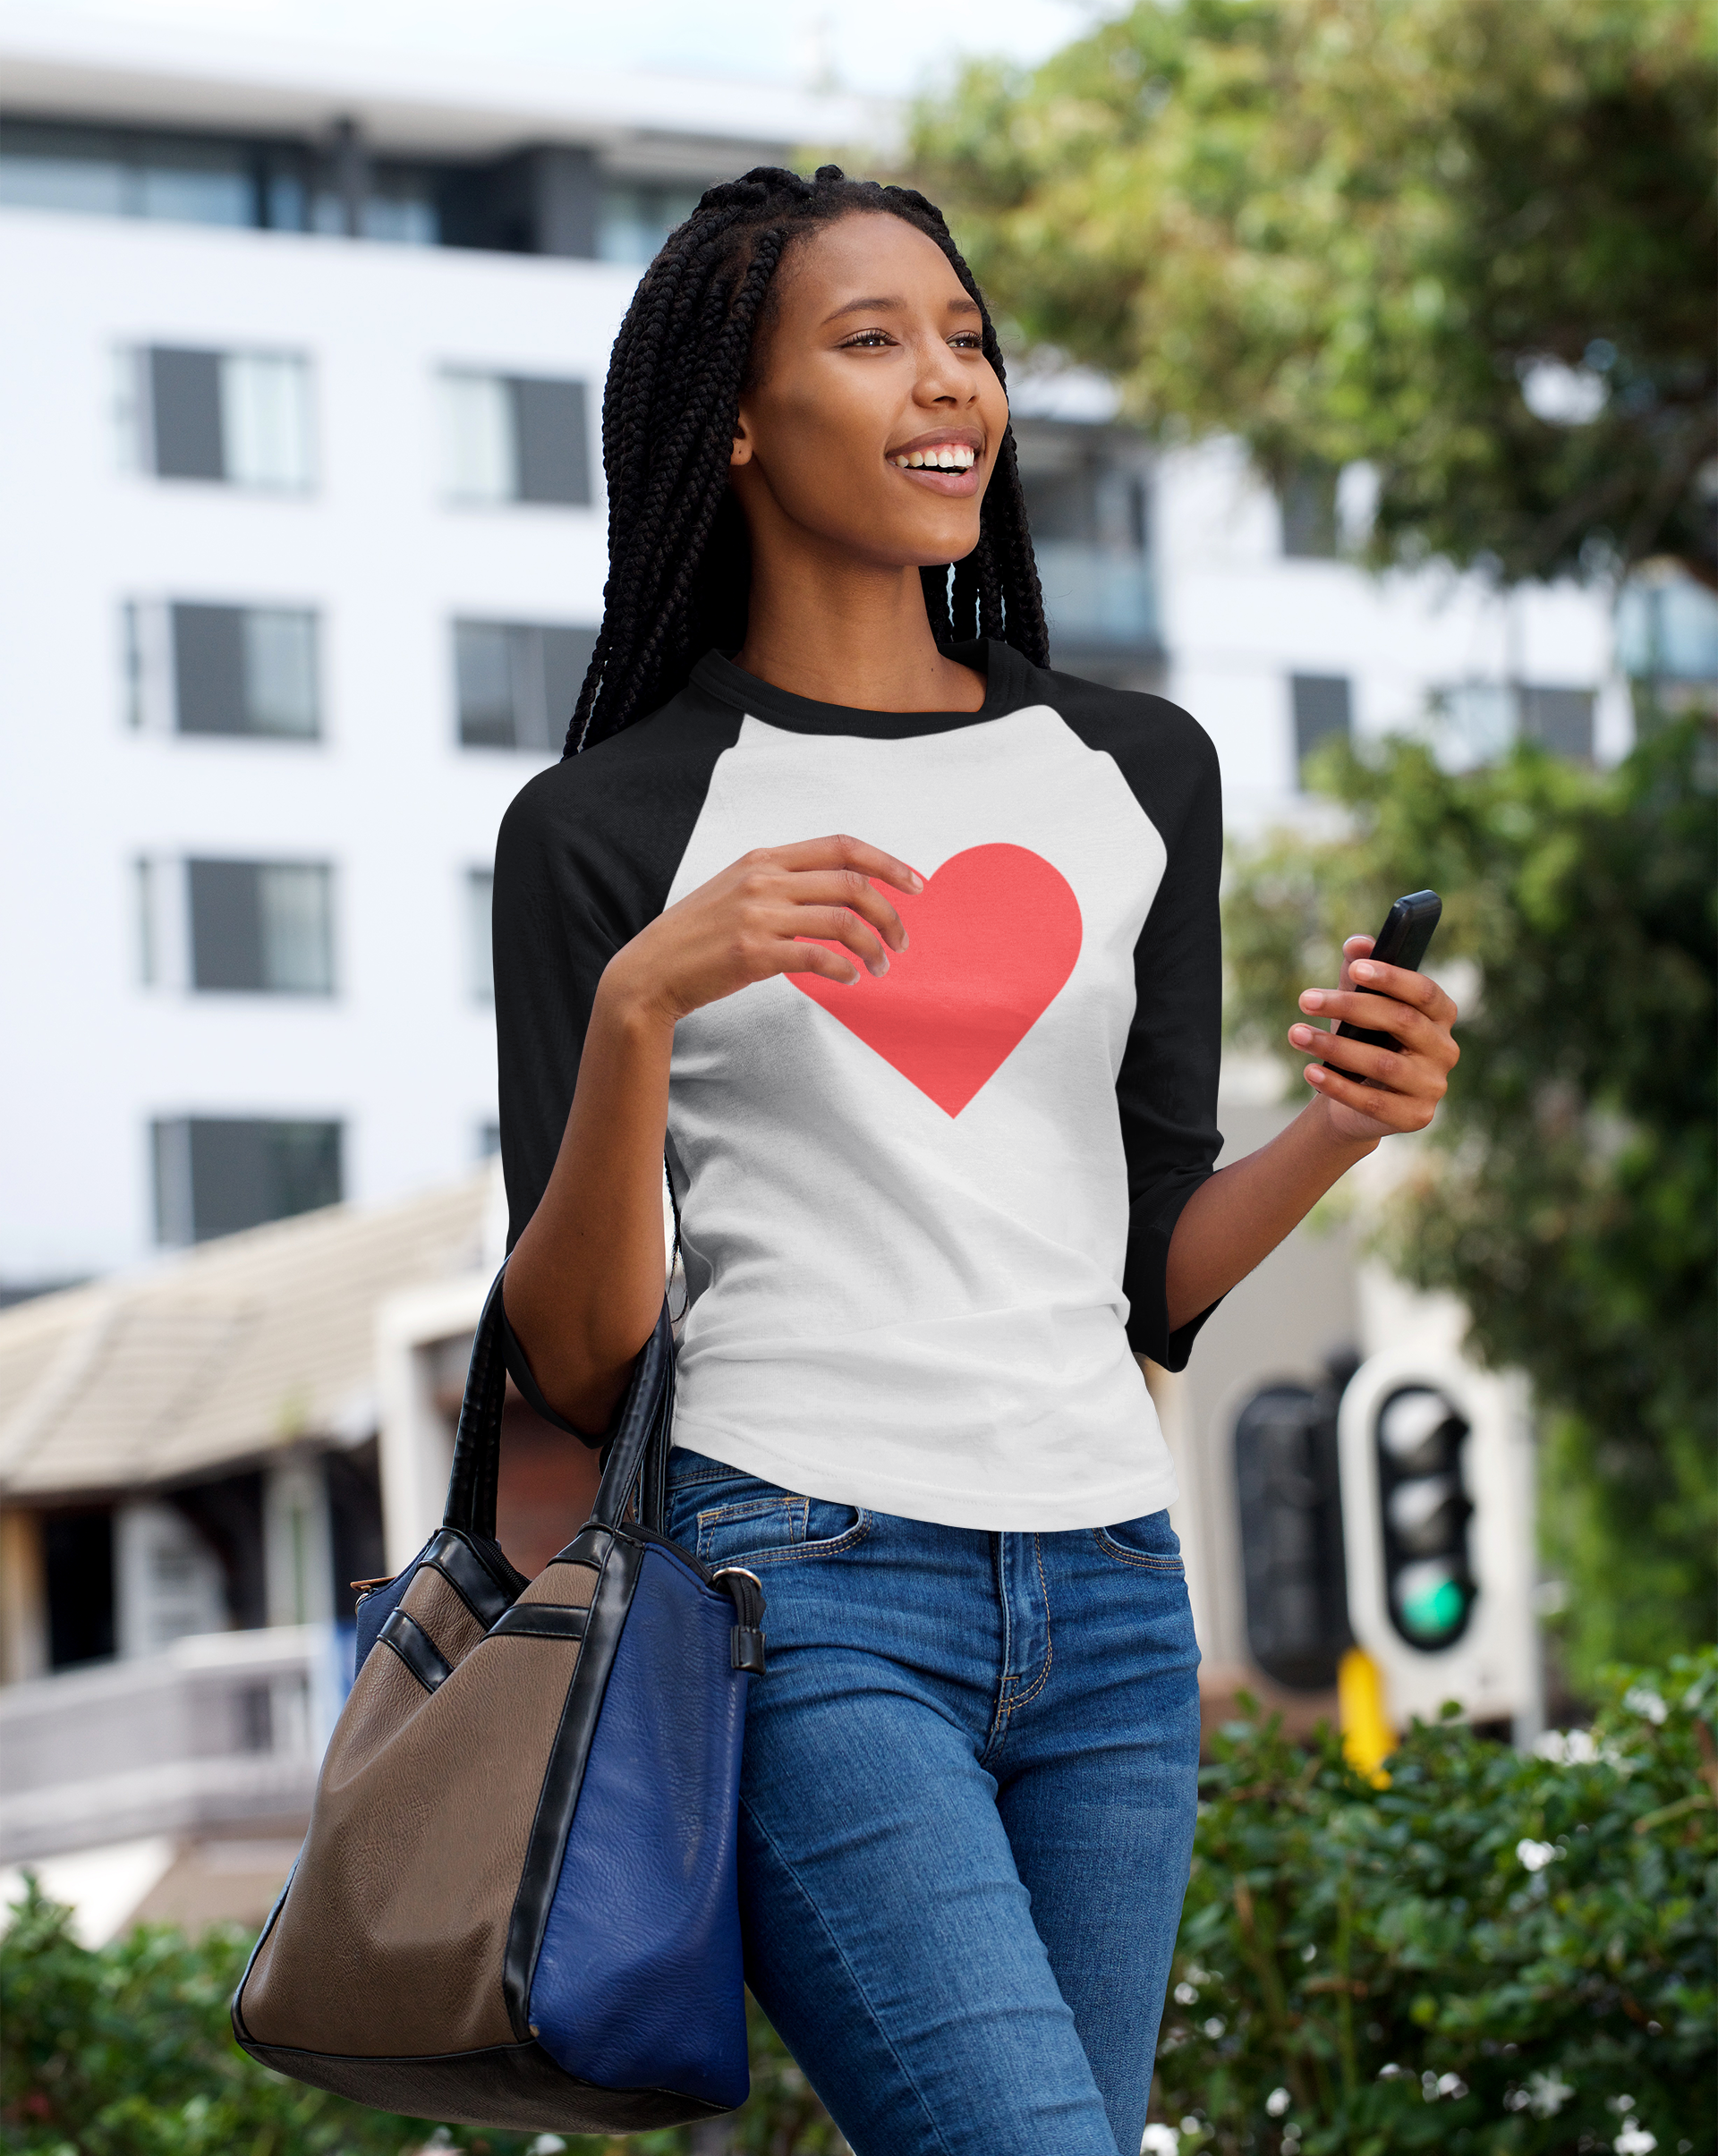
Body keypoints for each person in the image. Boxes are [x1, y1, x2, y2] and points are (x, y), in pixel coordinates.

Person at [494, 166, 1459, 2156]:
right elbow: (580, 1362)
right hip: (803, 1582)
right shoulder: (610, 824)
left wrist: (1343, 1125)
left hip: (1113, 1589)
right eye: (872, 341)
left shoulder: (1133, 771)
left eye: (966, 336)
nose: (951, 383)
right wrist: (639, 1010)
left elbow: (1151, 1276)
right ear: (738, 423)